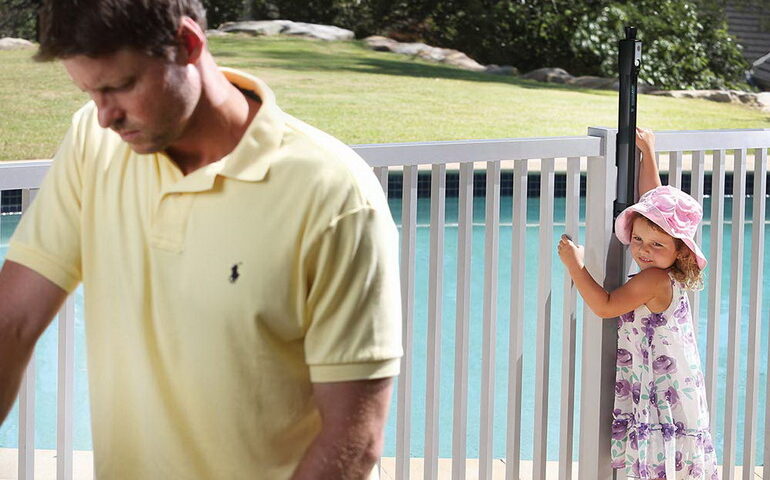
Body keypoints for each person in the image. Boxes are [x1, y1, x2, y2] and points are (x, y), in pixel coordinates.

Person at [0, 1, 403, 478]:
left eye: (121, 86)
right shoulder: (94, 142)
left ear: (188, 44)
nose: (106, 115)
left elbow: (353, 440)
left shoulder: (334, 194)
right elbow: (13, 321)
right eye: (89, 92)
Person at [557, 128, 717, 479]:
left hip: (661, 391)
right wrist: (649, 153)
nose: (644, 249)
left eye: (656, 245)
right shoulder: (668, 271)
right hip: (676, 386)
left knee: (659, 464)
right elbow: (653, 200)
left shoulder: (652, 279)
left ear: (680, 250)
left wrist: (576, 265)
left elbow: (605, 305)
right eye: (639, 238)